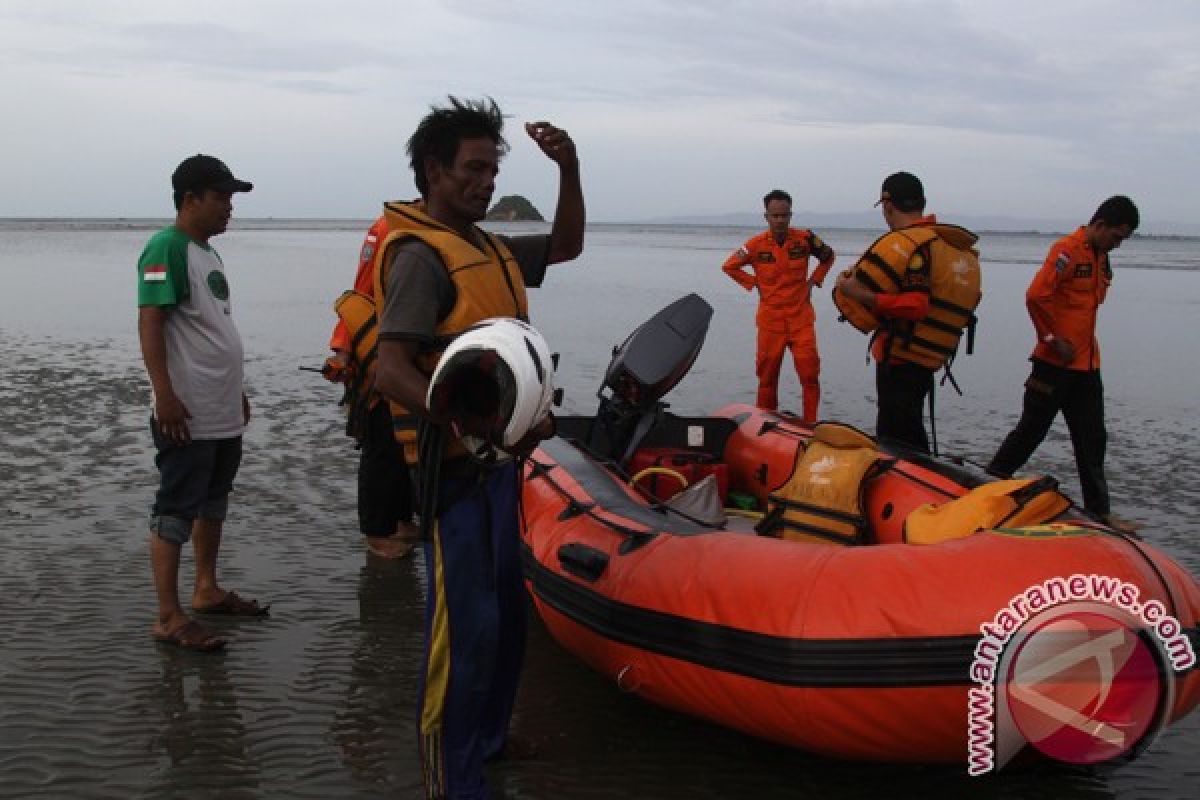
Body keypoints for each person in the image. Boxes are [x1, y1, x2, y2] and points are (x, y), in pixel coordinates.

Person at [372, 96, 584, 800]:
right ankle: (451, 780)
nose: (485, 182)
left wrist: (569, 168)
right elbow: (391, 368)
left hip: (501, 476)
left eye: (493, 169)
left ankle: (490, 743)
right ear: (433, 169)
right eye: (473, 168)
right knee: (460, 641)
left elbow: (568, 245)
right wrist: (479, 425)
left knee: (507, 620)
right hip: (453, 480)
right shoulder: (419, 258)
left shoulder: (489, 246)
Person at [137, 154, 269, 653]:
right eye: (220, 197)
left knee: (214, 500)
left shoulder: (207, 253)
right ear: (189, 199)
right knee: (176, 506)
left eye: (230, 198)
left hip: (220, 408)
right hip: (185, 410)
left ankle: (206, 588)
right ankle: (168, 616)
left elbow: (212, 326)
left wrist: (235, 392)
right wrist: (165, 395)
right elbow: (151, 321)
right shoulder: (165, 247)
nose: (228, 208)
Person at [987, 196, 1140, 533]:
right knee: (1031, 431)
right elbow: (1035, 296)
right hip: (1053, 365)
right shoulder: (1066, 250)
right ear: (1099, 226)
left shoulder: (1101, 258)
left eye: (1123, 240)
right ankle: (985, 485)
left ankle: (1100, 513)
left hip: (1086, 367)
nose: (1117, 245)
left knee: (1092, 440)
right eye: (1116, 237)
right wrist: (1052, 339)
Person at [834, 171, 981, 453]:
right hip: (927, 356)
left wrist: (859, 293)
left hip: (902, 359)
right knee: (909, 429)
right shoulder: (944, 245)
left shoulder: (917, 247)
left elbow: (917, 305)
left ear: (887, 205)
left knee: (897, 438)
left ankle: (916, 489)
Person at [323, 215, 420, 559]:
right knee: (380, 443)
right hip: (378, 353)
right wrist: (342, 353)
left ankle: (402, 518)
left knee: (408, 443)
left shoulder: (437, 229)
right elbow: (360, 292)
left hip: (415, 350)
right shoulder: (386, 229)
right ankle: (378, 530)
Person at [721, 189, 835, 424]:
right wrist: (753, 283)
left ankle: (810, 425)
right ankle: (765, 424)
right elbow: (729, 266)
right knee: (767, 378)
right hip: (770, 322)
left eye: (784, 215)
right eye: (775, 216)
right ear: (766, 217)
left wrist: (816, 279)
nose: (780, 220)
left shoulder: (805, 239)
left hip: (801, 319)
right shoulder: (755, 245)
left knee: (810, 376)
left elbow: (828, 256)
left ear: (790, 215)